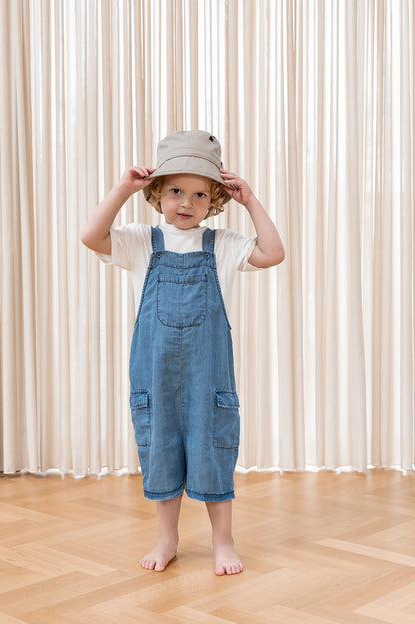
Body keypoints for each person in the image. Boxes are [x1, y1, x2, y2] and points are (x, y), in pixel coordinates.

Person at [81, 130, 285, 576]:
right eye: (175, 191)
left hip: (208, 378)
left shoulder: (224, 244)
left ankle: (223, 542)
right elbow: (91, 236)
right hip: (155, 376)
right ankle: (167, 539)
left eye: (199, 194)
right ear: (157, 192)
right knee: (161, 450)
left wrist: (251, 202)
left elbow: (273, 253)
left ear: (215, 200)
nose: (186, 203)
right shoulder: (140, 241)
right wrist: (122, 189)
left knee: (213, 450)